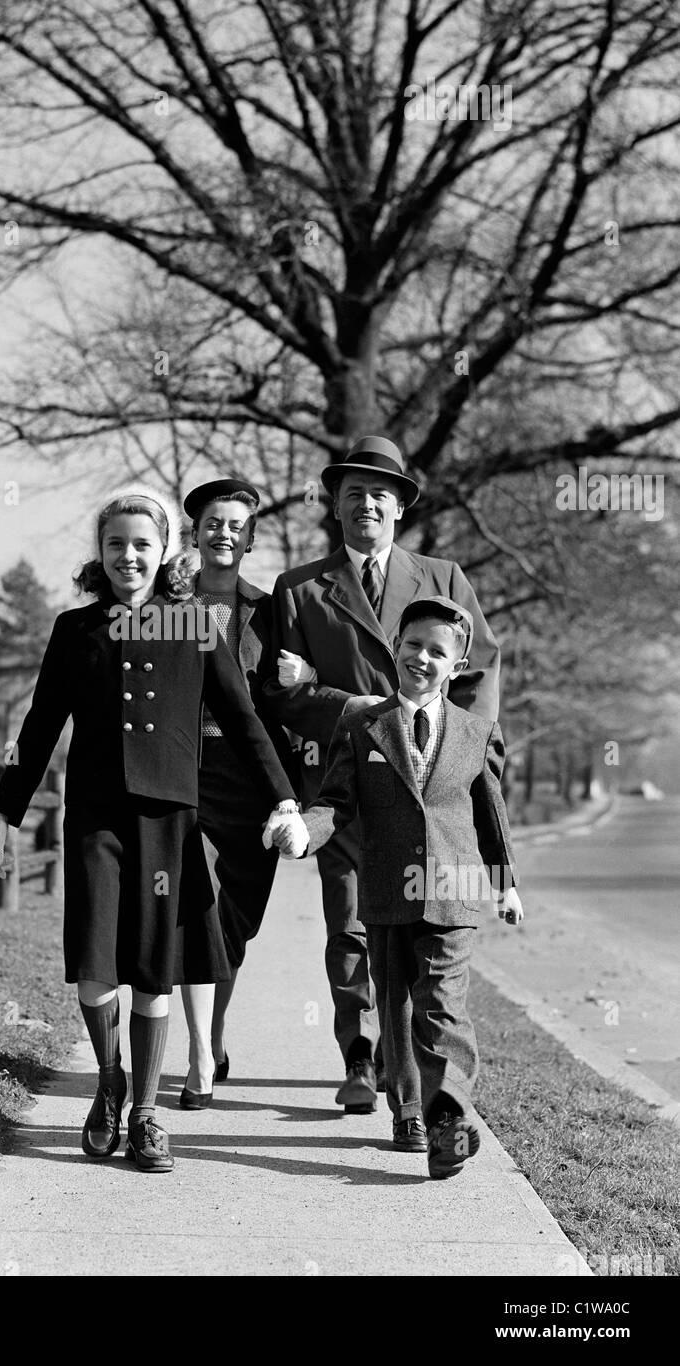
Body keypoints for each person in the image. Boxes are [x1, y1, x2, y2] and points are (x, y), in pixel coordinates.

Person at [0, 492, 303, 1173]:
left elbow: (244, 721)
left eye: (142, 545)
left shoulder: (196, 625)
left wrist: (283, 799)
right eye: (116, 544)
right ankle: (110, 1082)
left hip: (167, 823)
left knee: (157, 967)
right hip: (96, 820)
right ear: (100, 553)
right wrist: (4, 811)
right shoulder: (74, 632)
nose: (129, 556)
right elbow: (40, 726)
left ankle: (149, 1115)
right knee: (96, 968)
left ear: (164, 553)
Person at [264, 436, 500, 1115]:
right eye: (353, 493)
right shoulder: (300, 589)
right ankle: (359, 1055)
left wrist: (469, 751)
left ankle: (420, 1082)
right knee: (350, 928)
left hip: (428, 792)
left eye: (380, 493)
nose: (367, 504)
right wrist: (351, 705)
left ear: (399, 507)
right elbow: (279, 694)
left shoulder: (445, 579)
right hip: (347, 784)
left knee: (427, 940)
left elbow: (479, 671)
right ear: (334, 506)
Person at [268, 597, 524, 1179]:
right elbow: (336, 802)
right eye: (413, 645)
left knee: (443, 1004)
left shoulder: (477, 731)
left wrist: (504, 884)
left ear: (457, 666)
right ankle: (409, 1111)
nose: (423, 658)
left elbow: (492, 816)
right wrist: (305, 832)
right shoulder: (362, 724)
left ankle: (449, 1118)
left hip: (453, 894)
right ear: (395, 649)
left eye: (438, 651)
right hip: (383, 889)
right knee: (397, 1005)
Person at [175, 478, 299, 1107]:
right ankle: (198, 1052)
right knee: (199, 903)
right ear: (195, 532)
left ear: (251, 538)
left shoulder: (273, 610)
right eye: (212, 523)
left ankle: (213, 1033)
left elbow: (291, 698)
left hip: (252, 778)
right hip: (184, 769)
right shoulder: (166, 605)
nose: (224, 533)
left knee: (235, 924)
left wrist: (299, 676)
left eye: (237, 525)